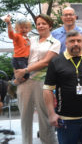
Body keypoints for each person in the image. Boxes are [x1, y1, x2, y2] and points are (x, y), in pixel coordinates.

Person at [43, 30, 82, 144]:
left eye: (79, 41)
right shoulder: (56, 61)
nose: (76, 44)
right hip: (66, 119)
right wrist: (51, 114)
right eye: (72, 41)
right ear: (66, 43)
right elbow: (47, 89)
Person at [14, 14, 60, 144]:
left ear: (50, 25)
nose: (40, 26)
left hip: (43, 82)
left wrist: (26, 70)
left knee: (45, 116)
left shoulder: (55, 42)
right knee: (25, 116)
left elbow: (46, 62)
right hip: (24, 82)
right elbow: (18, 55)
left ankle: (49, 141)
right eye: (38, 23)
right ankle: (26, 141)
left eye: (43, 23)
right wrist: (17, 74)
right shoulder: (31, 39)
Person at [5, 15, 31, 84]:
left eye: (26, 27)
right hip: (19, 59)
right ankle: (13, 84)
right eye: (21, 28)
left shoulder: (27, 38)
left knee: (22, 75)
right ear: (17, 29)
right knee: (26, 74)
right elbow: (11, 35)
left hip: (25, 59)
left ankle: (14, 83)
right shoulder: (17, 36)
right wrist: (9, 24)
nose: (24, 29)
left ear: (29, 29)